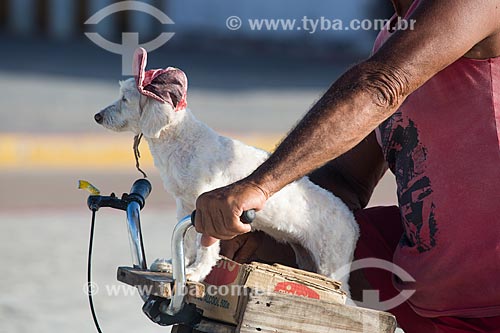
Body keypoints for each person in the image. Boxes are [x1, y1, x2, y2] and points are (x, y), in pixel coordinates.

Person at [194, 0, 500, 332]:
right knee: (262, 250)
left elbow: (382, 85)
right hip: (434, 291)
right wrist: (261, 231)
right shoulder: (393, 38)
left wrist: (260, 185)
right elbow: (344, 181)